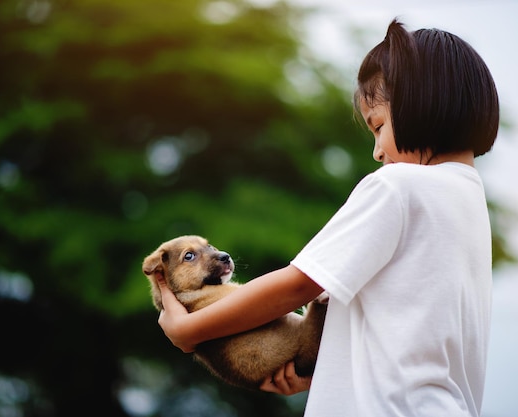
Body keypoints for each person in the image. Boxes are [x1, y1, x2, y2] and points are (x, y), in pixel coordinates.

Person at [156, 18, 499, 417]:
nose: (377, 153)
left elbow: (297, 285)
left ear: (423, 102)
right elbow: (408, 333)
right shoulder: (468, 204)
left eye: (379, 126)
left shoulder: (398, 185)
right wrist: (315, 360)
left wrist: (189, 331)